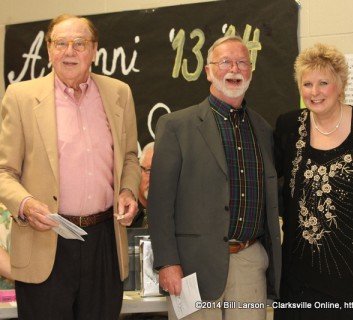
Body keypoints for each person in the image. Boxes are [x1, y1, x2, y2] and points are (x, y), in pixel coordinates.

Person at [0, 14, 141, 319]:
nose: (69, 51)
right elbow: (4, 172)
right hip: (46, 238)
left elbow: (130, 157)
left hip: (104, 240)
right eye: (60, 43)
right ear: (49, 50)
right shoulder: (21, 97)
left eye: (80, 43)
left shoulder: (119, 93)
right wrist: (24, 204)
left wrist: (129, 189)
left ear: (94, 50)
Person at [148, 35, 281, 320]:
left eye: (242, 62)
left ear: (251, 72)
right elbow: (159, 204)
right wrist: (167, 263)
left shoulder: (263, 129)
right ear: (208, 71)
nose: (234, 69)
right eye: (225, 62)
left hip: (249, 262)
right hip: (191, 267)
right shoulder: (175, 126)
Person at [274, 43, 353, 319]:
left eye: (323, 83)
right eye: (307, 84)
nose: (314, 92)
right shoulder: (288, 126)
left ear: (341, 84)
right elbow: (269, 181)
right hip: (300, 277)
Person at [130, 142, 154, 228]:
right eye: (149, 170)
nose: (155, 179)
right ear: (138, 171)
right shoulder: (124, 210)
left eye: (163, 172)